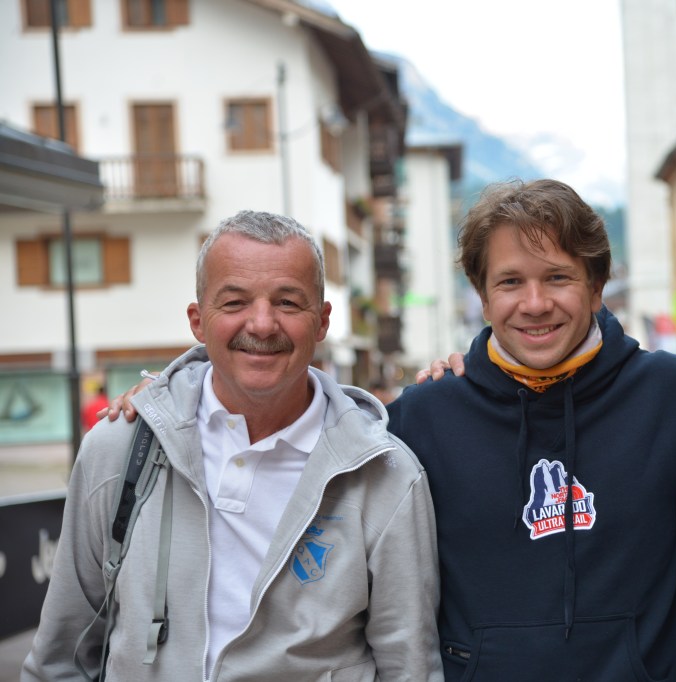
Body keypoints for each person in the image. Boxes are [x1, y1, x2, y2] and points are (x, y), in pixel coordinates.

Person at [106, 182, 676, 681]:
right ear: (480, 291)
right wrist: (175, 390)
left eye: (557, 276)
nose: (535, 302)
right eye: (510, 280)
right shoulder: (422, 421)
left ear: (596, 283)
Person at [24, 211, 442, 681]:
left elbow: (409, 667)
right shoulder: (119, 448)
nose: (262, 325)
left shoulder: (386, 475)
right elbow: (62, 656)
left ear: (322, 321)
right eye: (235, 302)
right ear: (198, 321)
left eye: (287, 302)